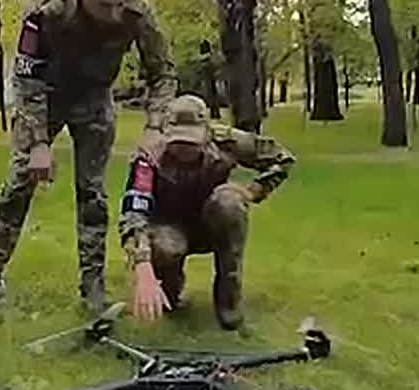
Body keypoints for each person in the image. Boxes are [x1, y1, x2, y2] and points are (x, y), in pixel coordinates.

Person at [0, 0, 177, 313]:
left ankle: (92, 282)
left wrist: (155, 127)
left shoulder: (138, 11)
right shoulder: (48, 8)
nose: (114, 14)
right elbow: (26, 76)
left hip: (95, 99)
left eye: (119, 4)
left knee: (92, 192)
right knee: (18, 183)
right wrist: (38, 142)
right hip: (45, 97)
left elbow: (164, 74)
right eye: (104, 6)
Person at [117, 94, 296, 330]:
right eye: (178, 143)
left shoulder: (228, 142)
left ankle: (228, 301)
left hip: (213, 223)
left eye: (191, 142)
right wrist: (143, 265)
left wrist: (253, 191)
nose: (184, 150)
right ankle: (168, 290)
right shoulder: (148, 157)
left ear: (206, 133)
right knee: (166, 250)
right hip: (167, 230)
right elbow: (134, 212)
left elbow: (283, 159)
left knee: (229, 202)